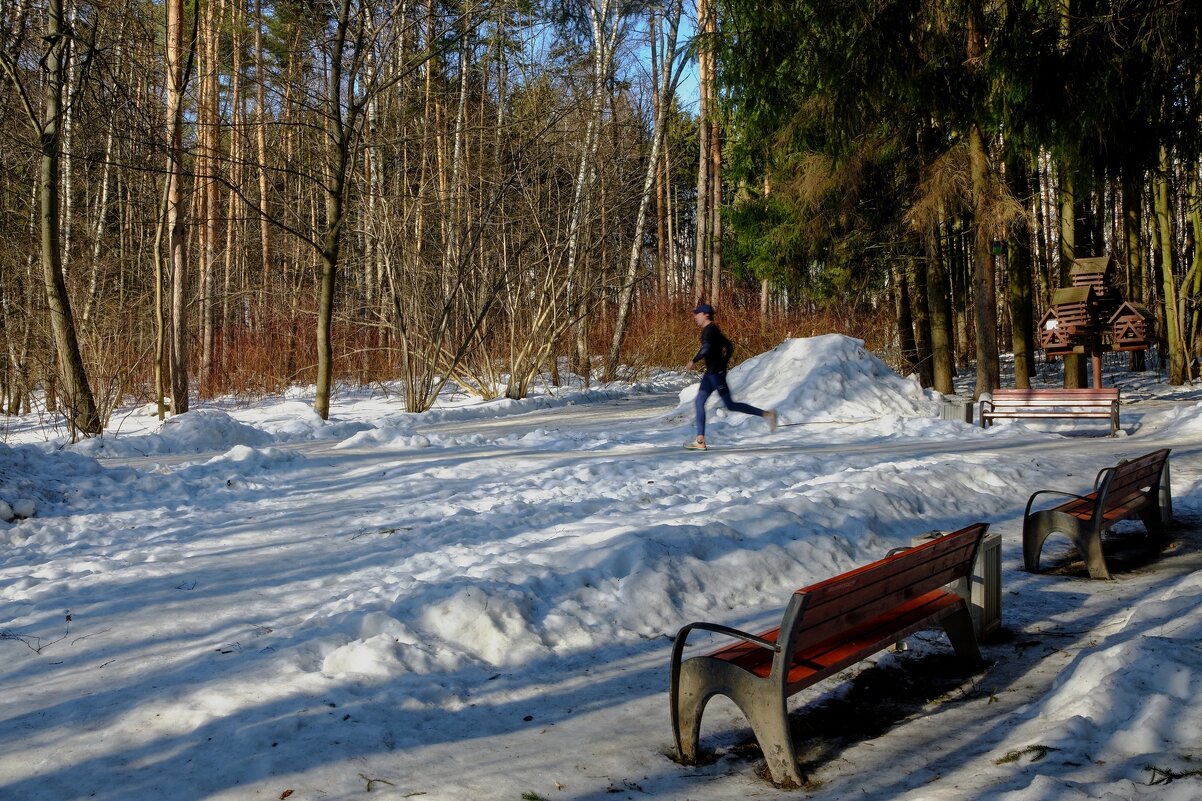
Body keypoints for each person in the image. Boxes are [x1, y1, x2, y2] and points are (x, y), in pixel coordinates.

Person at [683, 303, 776, 450]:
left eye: (697, 314)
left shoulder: (710, 330)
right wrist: (723, 363)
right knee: (699, 402)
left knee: (730, 405)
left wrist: (694, 361)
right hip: (711, 373)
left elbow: (706, 348)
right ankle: (700, 441)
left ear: (705, 314)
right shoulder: (713, 329)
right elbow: (729, 346)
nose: (695, 316)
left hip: (715, 374)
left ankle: (767, 415)